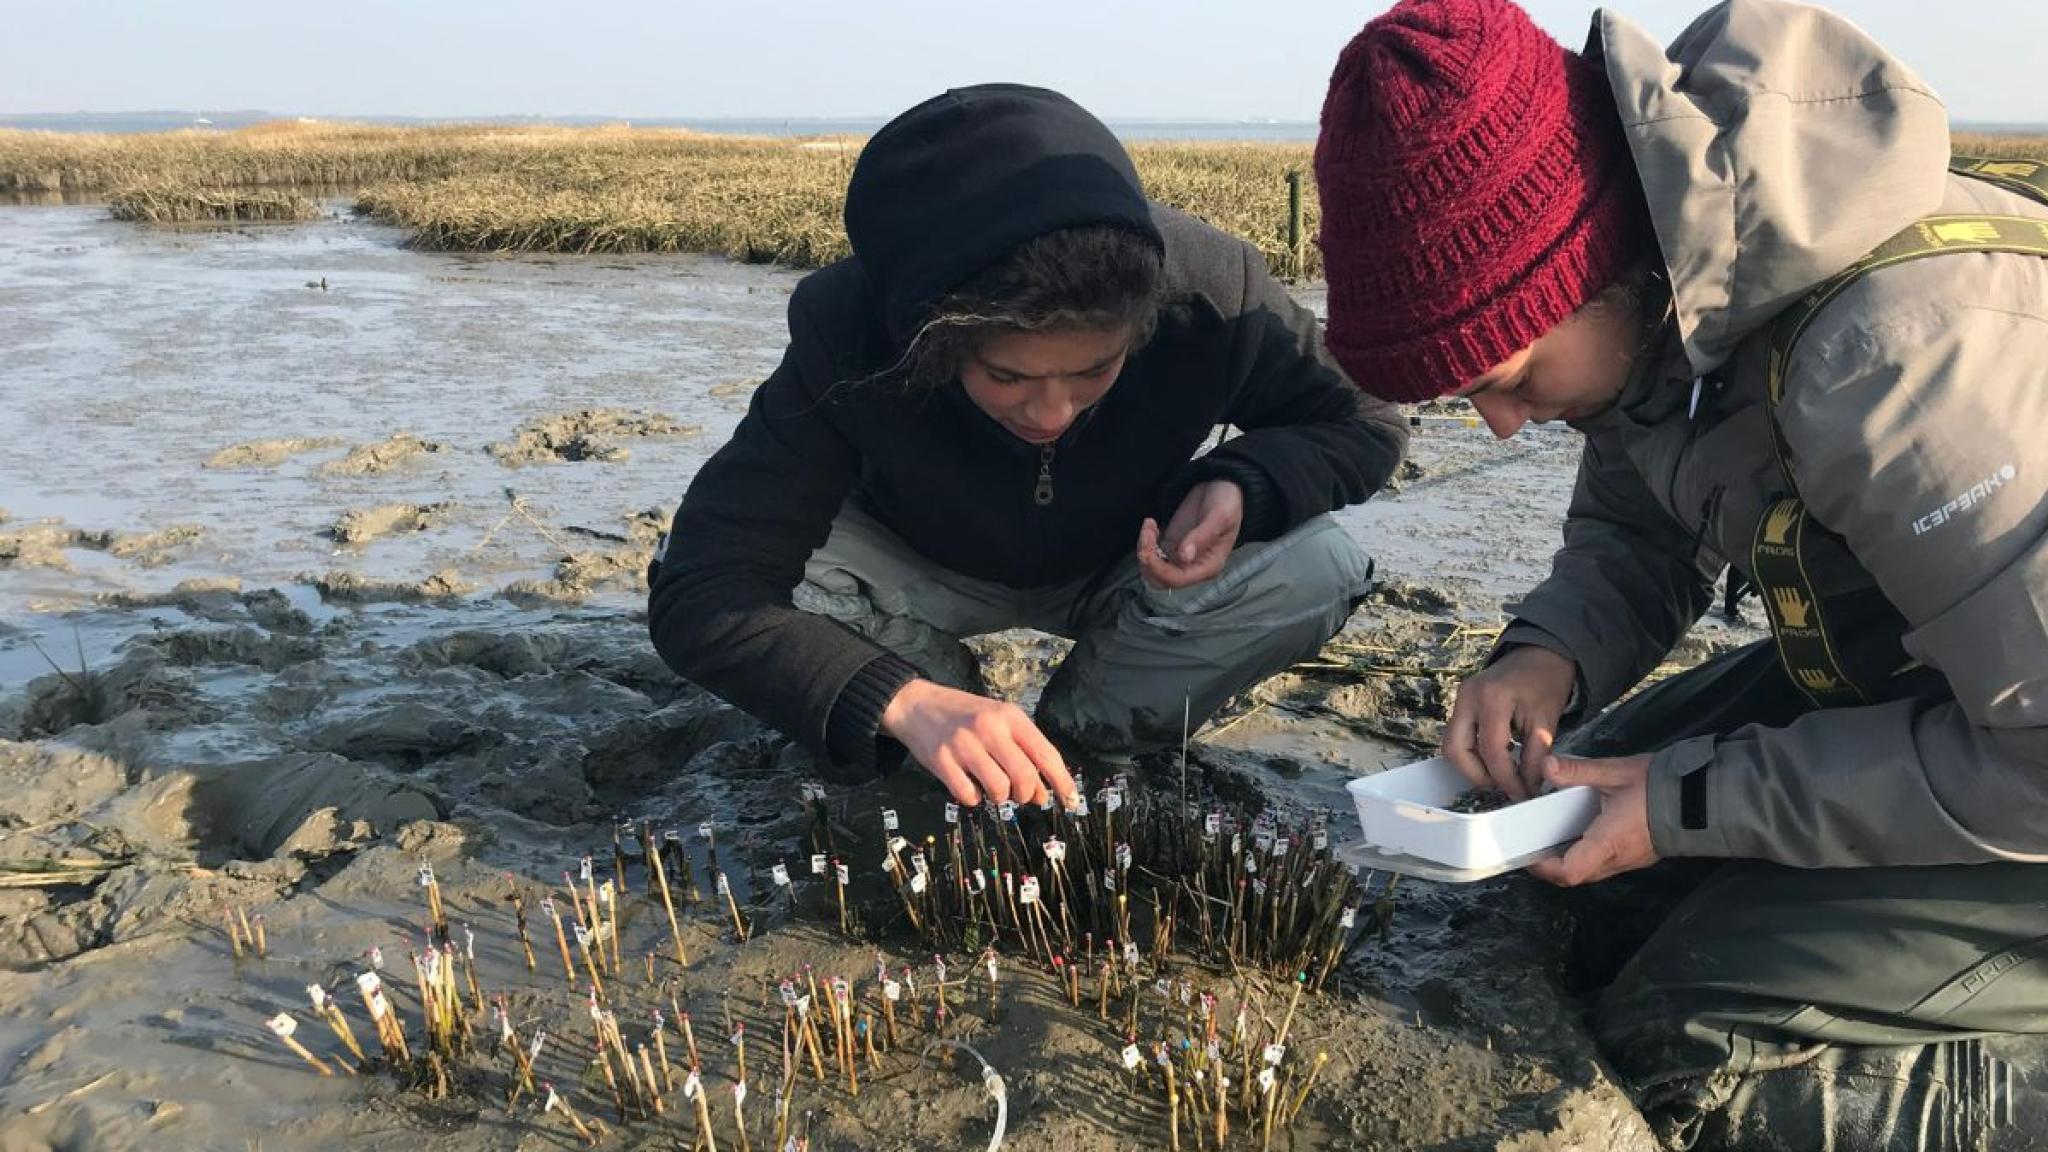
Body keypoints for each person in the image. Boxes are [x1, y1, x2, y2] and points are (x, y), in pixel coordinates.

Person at [1315, 0, 2048, 1148]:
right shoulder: (1673, 298)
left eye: (1504, 376)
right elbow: (1640, 520)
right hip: (1946, 690)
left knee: (1688, 1042)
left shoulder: (1899, 368)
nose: (1497, 426)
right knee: (1591, 873)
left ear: (1592, 258)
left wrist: (1691, 799)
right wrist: (1544, 650)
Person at [649, 84, 1406, 813]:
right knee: (787, 586)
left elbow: (1365, 419)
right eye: (1006, 375)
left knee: (1319, 565)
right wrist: (897, 697)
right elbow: (702, 586)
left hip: (1132, 559)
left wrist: (1247, 482)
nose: (1052, 412)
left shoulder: (1212, 292)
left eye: (1094, 371)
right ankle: (945, 715)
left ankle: (1079, 736)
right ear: (930, 340)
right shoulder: (847, 329)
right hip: (915, 561)